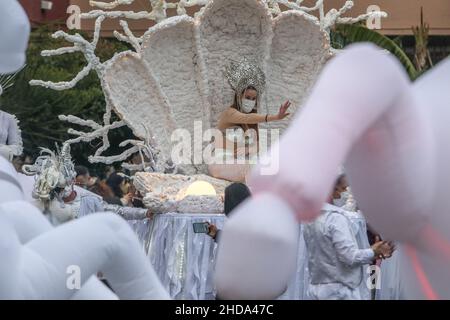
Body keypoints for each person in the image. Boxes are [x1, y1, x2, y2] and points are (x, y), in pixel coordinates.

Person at [302, 177, 395, 300]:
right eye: (343, 187)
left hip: (316, 288)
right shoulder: (336, 218)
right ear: (333, 189)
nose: (346, 190)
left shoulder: (310, 217)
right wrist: (374, 252)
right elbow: (349, 256)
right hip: (339, 292)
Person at [207, 58, 291, 182]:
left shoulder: (251, 123)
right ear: (239, 96)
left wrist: (247, 149)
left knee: (270, 164)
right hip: (220, 162)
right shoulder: (230, 113)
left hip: (239, 163)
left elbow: (257, 146)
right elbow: (247, 117)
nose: (250, 101)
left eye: (253, 99)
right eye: (247, 97)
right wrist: (275, 117)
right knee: (253, 168)